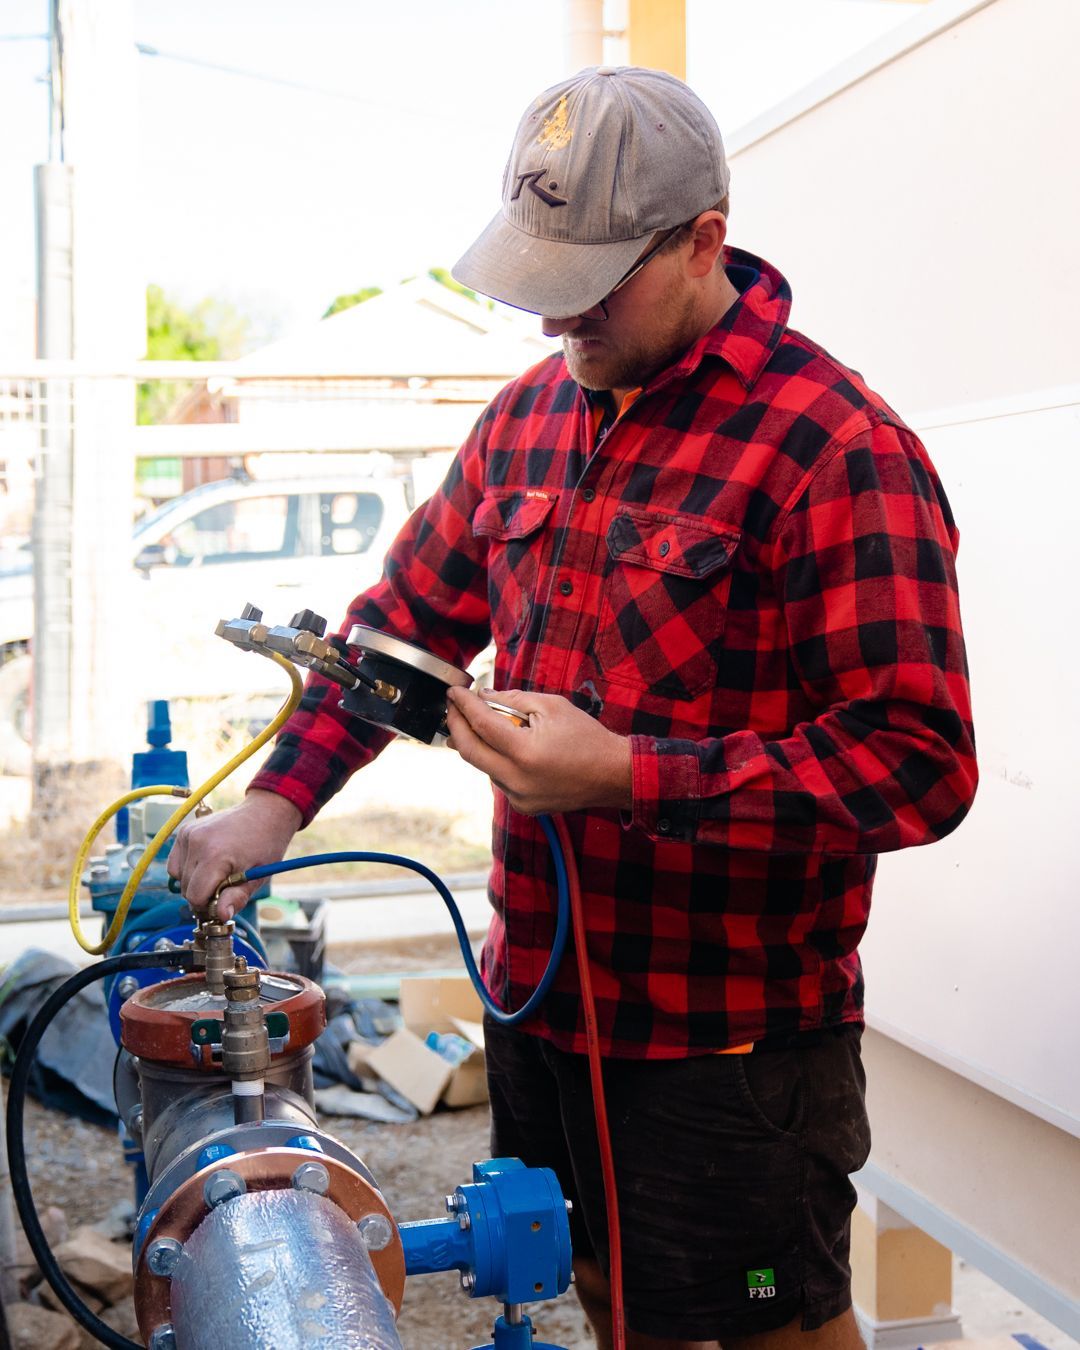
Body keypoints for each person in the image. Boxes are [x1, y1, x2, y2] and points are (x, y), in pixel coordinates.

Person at [169, 66, 978, 1349]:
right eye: (539, 285)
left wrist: (626, 776)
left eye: (591, 289)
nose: (556, 328)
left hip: (730, 1047)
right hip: (542, 1003)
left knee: (771, 1327)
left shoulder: (833, 448)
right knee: (608, 1295)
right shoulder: (527, 424)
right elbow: (404, 633)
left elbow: (918, 766)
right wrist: (272, 805)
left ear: (703, 240)